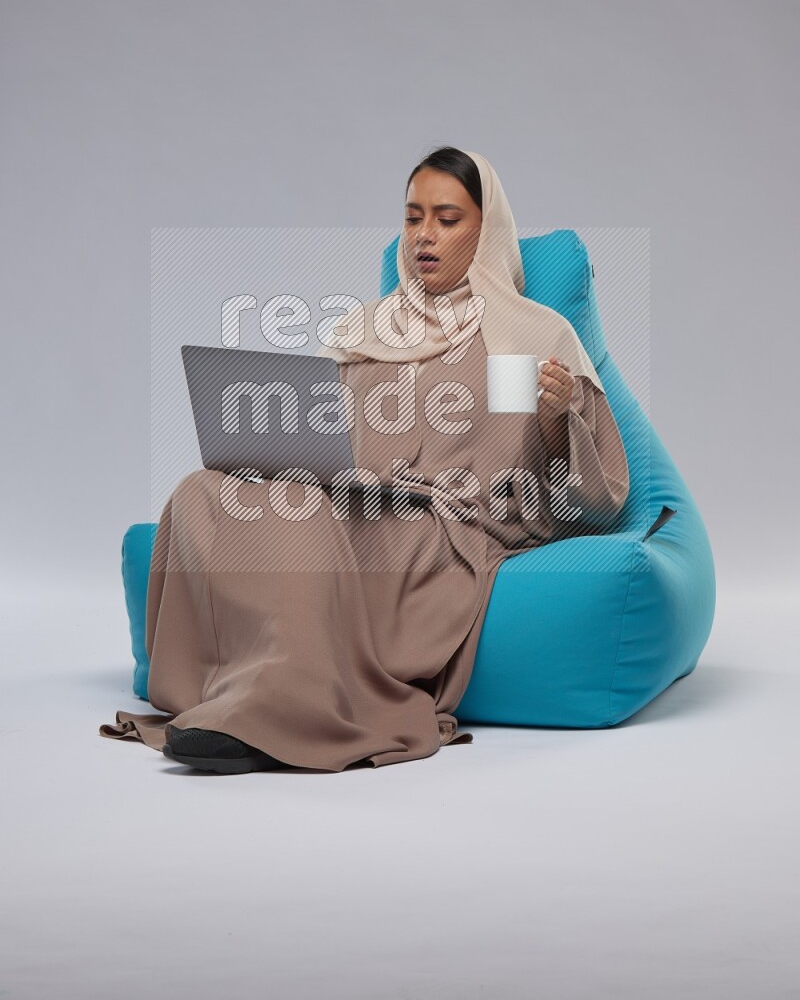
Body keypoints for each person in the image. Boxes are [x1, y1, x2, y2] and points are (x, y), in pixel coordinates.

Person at [99, 146, 630, 773]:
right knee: (202, 491)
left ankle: (277, 711)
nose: (424, 236)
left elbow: (580, 500)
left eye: (447, 219)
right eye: (412, 218)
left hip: (439, 529)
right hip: (348, 500)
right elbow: (320, 439)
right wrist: (271, 441)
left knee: (299, 518)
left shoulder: (524, 339)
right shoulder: (366, 331)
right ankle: (226, 688)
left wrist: (558, 418)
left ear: (486, 231)